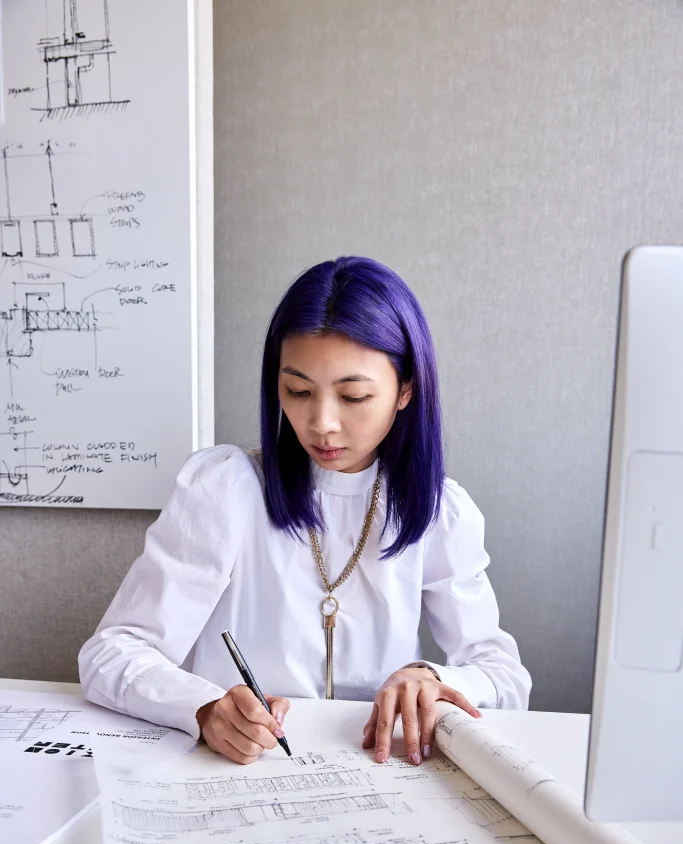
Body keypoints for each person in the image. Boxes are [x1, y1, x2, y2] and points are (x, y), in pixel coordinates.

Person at [79, 256, 531, 766]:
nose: (322, 423)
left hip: (375, 777)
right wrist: (203, 708)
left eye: (354, 395)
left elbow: (505, 677)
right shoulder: (226, 489)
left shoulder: (436, 510)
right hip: (235, 773)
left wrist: (433, 677)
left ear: (406, 390)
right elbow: (109, 653)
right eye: (297, 391)